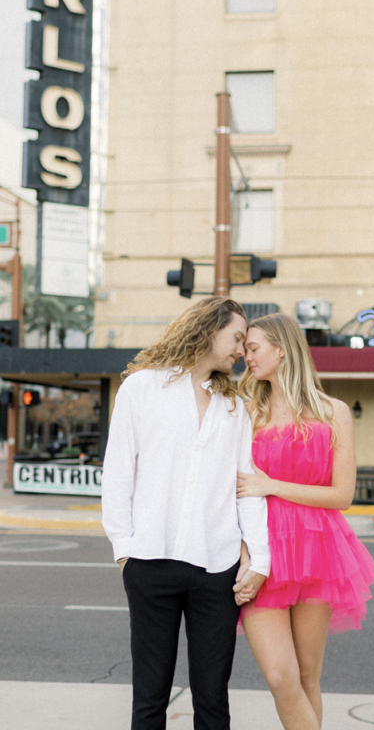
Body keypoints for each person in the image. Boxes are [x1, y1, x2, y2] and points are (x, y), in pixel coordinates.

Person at [101, 297, 270, 730]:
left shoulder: (234, 407)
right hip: (150, 562)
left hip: (217, 569)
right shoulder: (141, 388)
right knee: (150, 698)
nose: (240, 350)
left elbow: (246, 488)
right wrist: (125, 552)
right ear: (209, 330)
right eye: (236, 338)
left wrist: (260, 559)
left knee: (213, 700)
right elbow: (118, 474)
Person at [235, 313, 374, 730]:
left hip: (317, 550)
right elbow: (232, 494)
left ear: (282, 349)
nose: (246, 356)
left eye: (254, 347)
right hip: (263, 554)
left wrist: (271, 485)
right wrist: (245, 553)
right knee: (281, 677)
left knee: (306, 676)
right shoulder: (246, 414)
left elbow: (342, 496)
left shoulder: (333, 412)